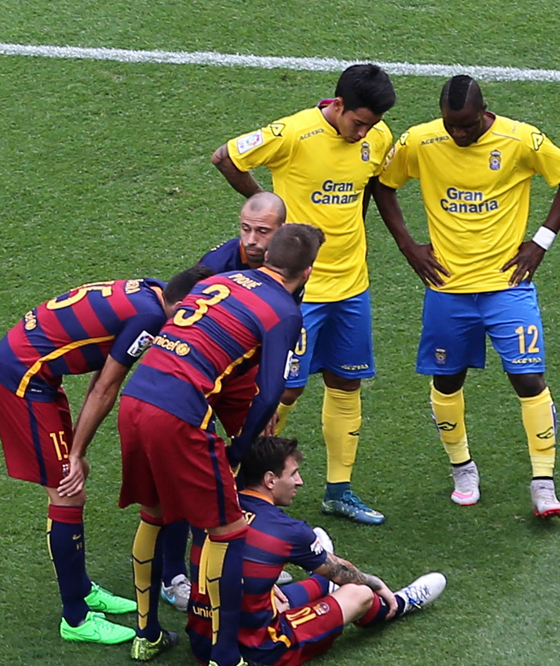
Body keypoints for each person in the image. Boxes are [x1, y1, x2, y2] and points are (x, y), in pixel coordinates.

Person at [374, 75, 560, 518]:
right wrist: (409, 247)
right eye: (452, 125)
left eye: (468, 125)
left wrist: (540, 241)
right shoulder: (421, 141)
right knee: (447, 380)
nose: (459, 134)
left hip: (508, 285)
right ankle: (462, 469)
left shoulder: (520, 139)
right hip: (448, 288)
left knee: (529, 380)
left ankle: (543, 484)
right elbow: (383, 184)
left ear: (484, 111)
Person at [117, 224, 324, 664]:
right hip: (179, 414)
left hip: (136, 399)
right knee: (227, 530)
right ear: (307, 271)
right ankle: (225, 656)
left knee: (153, 515)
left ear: (268, 254)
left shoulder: (218, 280)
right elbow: (270, 393)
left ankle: (146, 633)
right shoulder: (284, 311)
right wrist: (241, 445)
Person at [211, 64, 397, 525]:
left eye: (371, 125)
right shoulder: (293, 132)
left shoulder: (377, 136)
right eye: (358, 123)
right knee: (285, 388)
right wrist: (276, 216)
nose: (364, 133)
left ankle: (339, 491)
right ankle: (249, 483)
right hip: (299, 289)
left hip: (352, 283)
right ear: (336, 105)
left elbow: (368, 185)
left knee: (346, 380)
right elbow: (225, 158)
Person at [0, 266, 211, 643]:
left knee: (73, 482)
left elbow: (105, 369)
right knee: (68, 490)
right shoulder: (151, 318)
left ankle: (84, 589)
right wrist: (76, 452)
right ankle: (75, 618)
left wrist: (76, 448)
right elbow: (106, 388)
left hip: (36, 373)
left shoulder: (150, 292)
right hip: (21, 381)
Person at [186, 436, 446, 665]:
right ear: (270, 480)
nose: (299, 482)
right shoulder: (286, 530)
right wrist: (375, 583)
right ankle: (399, 603)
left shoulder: (216, 505)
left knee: (277, 590)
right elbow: (343, 573)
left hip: (203, 640)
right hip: (260, 650)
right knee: (359, 592)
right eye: (294, 474)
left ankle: (319, 565)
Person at [159, 191, 291, 614]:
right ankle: (173, 575)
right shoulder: (216, 266)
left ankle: (240, 552)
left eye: (262, 232)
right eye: (245, 229)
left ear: (281, 233)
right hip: (197, 381)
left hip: (238, 378)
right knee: (189, 475)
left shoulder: (287, 269)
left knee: (241, 462)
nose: (251, 240)